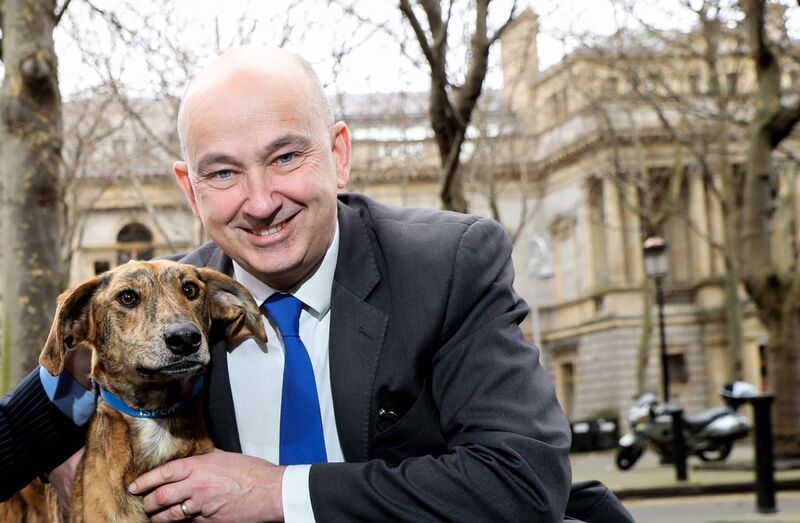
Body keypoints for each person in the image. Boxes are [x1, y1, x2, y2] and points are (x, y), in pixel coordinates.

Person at [1, 46, 572, 521]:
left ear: (338, 154)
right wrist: (61, 455)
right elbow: (41, 406)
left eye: (286, 157)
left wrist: (280, 493)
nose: (260, 201)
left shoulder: (447, 264)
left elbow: (522, 479)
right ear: (190, 189)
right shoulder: (165, 304)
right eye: (223, 172)